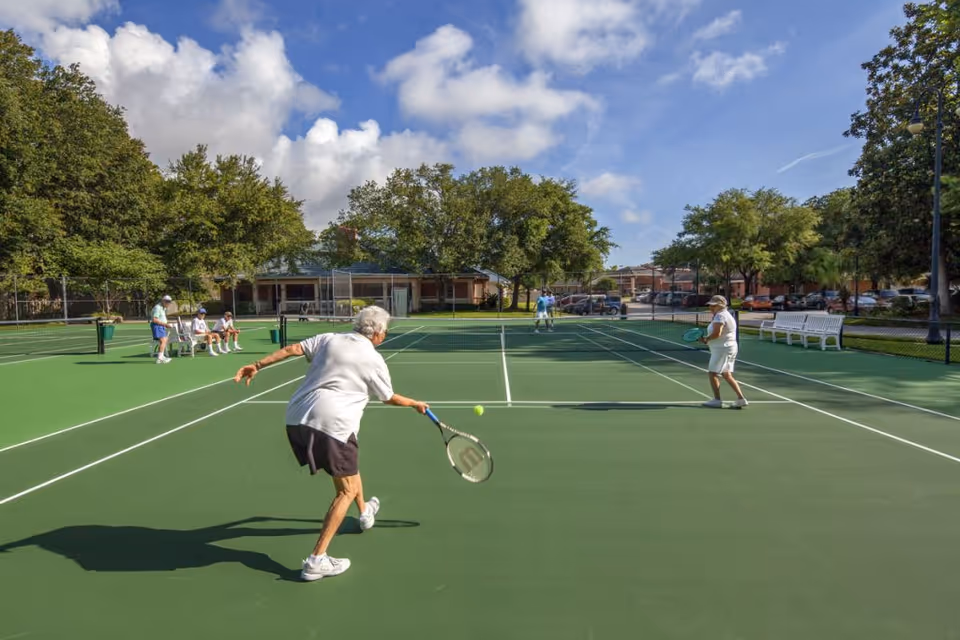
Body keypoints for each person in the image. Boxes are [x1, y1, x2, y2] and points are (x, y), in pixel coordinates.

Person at [233, 305, 429, 582]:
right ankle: (316, 560)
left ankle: (364, 512)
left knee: (348, 469)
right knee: (345, 491)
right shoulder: (373, 359)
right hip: (332, 424)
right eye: (385, 332)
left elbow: (291, 350)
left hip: (296, 418)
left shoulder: (328, 338)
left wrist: (258, 365)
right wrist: (415, 404)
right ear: (378, 334)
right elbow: (388, 397)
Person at [700, 295, 748, 408]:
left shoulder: (720, 316)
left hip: (722, 349)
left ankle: (717, 400)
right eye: (710, 306)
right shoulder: (726, 315)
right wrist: (708, 339)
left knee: (712, 373)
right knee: (726, 374)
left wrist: (706, 339)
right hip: (728, 347)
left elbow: (717, 333)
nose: (710, 308)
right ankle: (741, 399)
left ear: (719, 306)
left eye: (713, 306)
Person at [150, 295, 175, 364]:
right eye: (167, 302)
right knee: (163, 340)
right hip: (157, 326)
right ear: (163, 301)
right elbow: (155, 319)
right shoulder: (158, 308)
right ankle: (160, 358)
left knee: (164, 341)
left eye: (169, 302)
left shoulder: (163, 308)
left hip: (161, 326)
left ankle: (161, 357)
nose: (168, 303)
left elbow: (161, 318)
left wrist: (166, 324)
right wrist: (165, 324)